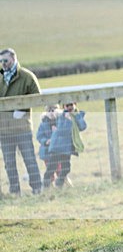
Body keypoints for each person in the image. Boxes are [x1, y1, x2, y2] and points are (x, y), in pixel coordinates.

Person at [0, 48, 42, 195]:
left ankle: (37, 188)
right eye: (0, 61)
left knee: (29, 159)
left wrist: (22, 110)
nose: (3, 64)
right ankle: (15, 191)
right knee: (9, 163)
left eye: (5, 60)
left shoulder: (27, 76)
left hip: (22, 127)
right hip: (4, 129)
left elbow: (37, 98)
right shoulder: (0, 78)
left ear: (13, 59)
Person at [37, 102, 86, 188]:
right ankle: (46, 184)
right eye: (67, 106)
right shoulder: (61, 117)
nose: (69, 107)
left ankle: (59, 183)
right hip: (57, 147)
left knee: (66, 168)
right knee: (52, 167)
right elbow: (62, 131)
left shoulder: (76, 116)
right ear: (64, 107)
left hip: (66, 148)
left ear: (75, 105)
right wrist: (67, 120)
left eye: (71, 105)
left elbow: (82, 127)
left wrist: (77, 116)